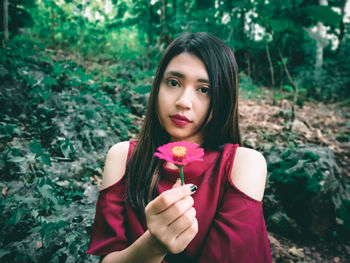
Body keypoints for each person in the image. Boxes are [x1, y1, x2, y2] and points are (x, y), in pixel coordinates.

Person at [86, 32, 272, 263]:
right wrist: (154, 245)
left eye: (204, 89)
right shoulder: (123, 157)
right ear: (158, 86)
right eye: (173, 83)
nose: (183, 101)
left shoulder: (243, 165)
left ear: (223, 97)